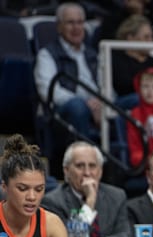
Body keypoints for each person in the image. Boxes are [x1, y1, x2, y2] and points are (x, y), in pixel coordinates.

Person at [42, 141, 132, 237]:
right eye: (80, 166)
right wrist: (90, 203)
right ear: (66, 171)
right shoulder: (53, 201)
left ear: (100, 171)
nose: (87, 173)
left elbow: (126, 236)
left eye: (92, 166)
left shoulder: (117, 196)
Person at [34, 3, 102, 147]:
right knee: (78, 107)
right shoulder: (47, 54)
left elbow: (107, 86)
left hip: (97, 105)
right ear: (59, 27)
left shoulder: (93, 54)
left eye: (79, 22)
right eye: (70, 23)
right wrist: (86, 103)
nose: (76, 28)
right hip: (64, 111)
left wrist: (103, 104)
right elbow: (48, 92)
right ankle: (83, 160)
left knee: (132, 102)